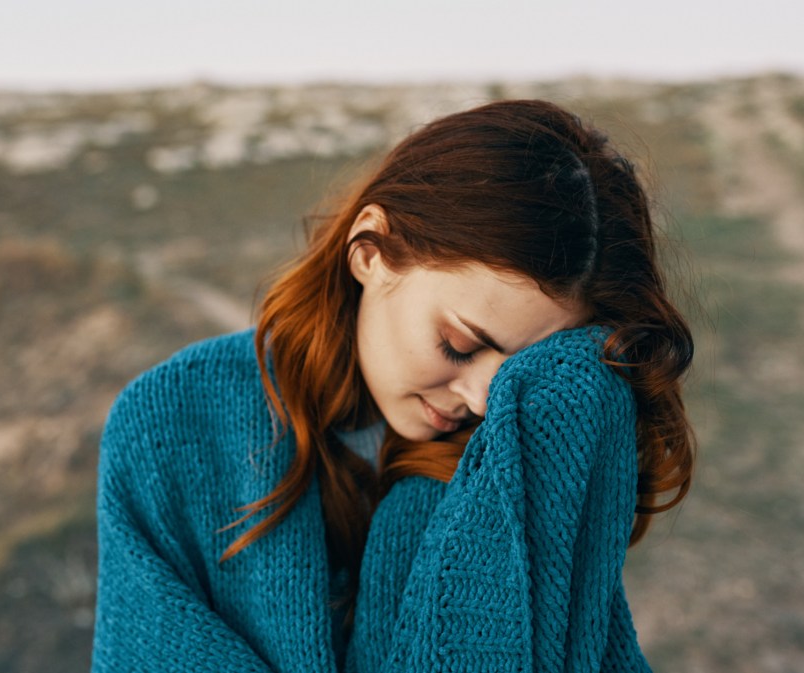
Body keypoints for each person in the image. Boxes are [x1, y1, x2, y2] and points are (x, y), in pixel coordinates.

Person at [91, 99, 695, 672]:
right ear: (370, 252)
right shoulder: (170, 423)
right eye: (460, 343)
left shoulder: (512, 466)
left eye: (521, 376)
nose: (484, 400)